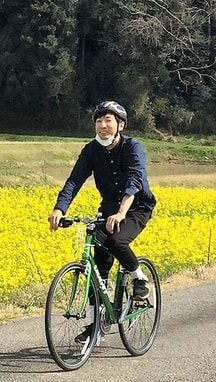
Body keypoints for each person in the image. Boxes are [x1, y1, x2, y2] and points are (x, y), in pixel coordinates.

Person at [48, 100, 156, 322]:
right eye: (98, 121)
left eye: (108, 120)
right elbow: (74, 181)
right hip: (108, 209)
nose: (102, 125)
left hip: (136, 207)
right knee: (98, 264)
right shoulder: (91, 151)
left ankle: (140, 280)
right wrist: (59, 209)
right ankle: (96, 323)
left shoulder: (132, 147)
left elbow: (135, 179)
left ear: (120, 125)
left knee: (116, 241)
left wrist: (121, 212)